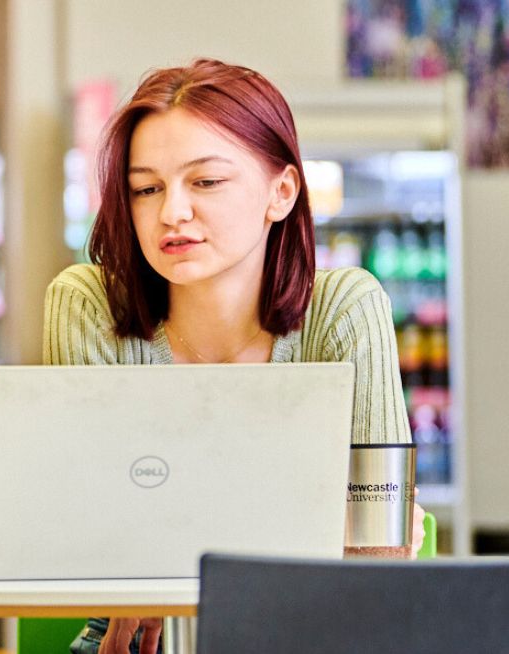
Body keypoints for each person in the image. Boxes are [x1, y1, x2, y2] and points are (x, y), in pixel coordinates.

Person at [42, 59, 425, 654]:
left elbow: (380, 548)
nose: (171, 213)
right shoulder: (88, 304)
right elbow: (87, 532)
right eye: (146, 189)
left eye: (206, 182)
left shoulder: (345, 308)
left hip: (319, 635)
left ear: (281, 192)